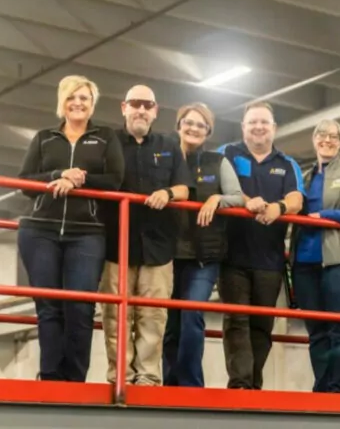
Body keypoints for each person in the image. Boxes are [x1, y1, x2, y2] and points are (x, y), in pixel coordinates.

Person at [17, 74, 124, 382]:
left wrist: (79, 177)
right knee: (49, 307)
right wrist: (58, 173)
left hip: (86, 232)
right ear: (61, 103)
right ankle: (50, 376)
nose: (78, 103)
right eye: (71, 98)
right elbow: (26, 181)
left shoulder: (105, 137)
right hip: (40, 230)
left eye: (84, 99)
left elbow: (115, 179)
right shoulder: (44, 138)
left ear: (92, 105)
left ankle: (75, 379)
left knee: (80, 306)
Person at [100, 84, 191, 386]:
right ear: (123, 107)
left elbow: (183, 188)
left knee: (153, 317)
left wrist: (167, 193)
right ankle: (120, 378)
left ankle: (149, 378)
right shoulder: (107, 141)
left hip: (158, 246)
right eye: (135, 104)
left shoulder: (169, 144)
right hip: (115, 245)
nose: (141, 110)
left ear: (155, 111)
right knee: (116, 316)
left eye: (147, 105)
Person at [217, 101, 304, 390]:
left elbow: (297, 199)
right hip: (232, 255)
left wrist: (280, 206)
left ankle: (253, 385)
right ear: (243, 127)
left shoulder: (287, 163)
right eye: (252, 122)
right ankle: (240, 385)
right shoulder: (226, 154)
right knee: (237, 321)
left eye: (264, 122)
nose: (258, 127)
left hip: (270, 259)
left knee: (262, 326)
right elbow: (214, 185)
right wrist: (245, 200)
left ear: (274, 128)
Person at [163, 103, 244, 387]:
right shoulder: (165, 157)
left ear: (208, 132)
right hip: (168, 254)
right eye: (189, 122)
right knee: (168, 322)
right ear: (179, 126)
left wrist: (216, 199)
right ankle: (168, 383)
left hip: (204, 256)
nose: (193, 128)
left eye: (200, 125)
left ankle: (190, 384)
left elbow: (238, 196)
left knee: (191, 314)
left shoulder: (217, 162)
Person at [288, 119, 340, 393]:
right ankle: (322, 389)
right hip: (305, 262)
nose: (327, 140)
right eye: (322, 135)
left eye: (334, 136)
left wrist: (325, 216)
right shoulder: (304, 175)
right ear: (314, 140)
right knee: (317, 332)